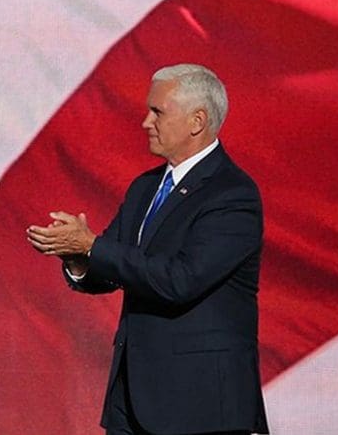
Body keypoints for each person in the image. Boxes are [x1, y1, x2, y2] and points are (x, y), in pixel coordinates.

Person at [27, 64, 269, 435]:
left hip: (199, 408)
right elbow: (113, 266)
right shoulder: (146, 187)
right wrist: (78, 257)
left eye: (157, 111)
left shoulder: (232, 195)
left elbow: (180, 280)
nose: (145, 121)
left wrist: (92, 245)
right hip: (133, 400)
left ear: (197, 121)